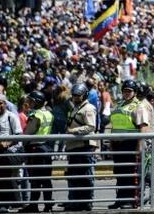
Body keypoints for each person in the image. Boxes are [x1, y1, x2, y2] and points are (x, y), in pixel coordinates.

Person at [108, 79, 150, 209]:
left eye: (129, 91)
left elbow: (143, 127)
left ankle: (130, 200)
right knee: (120, 173)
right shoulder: (119, 105)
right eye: (125, 91)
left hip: (131, 144)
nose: (126, 93)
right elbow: (114, 125)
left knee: (130, 174)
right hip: (118, 145)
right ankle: (120, 199)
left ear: (135, 92)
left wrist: (139, 146)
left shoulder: (138, 106)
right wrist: (111, 142)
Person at [64, 83, 97, 212]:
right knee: (74, 175)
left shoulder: (88, 108)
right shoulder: (75, 108)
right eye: (74, 95)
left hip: (84, 146)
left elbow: (91, 126)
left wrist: (74, 131)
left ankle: (87, 202)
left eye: (78, 95)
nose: (75, 97)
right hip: (74, 147)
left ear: (84, 95)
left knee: (85, 176)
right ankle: (76, 202)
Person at [20, 91, 54, 213]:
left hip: (35, 149)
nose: (29, 103)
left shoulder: (35, 115)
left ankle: (34, 205)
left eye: (31, 101)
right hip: (46, 148)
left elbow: (28, 133)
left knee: (35, 179)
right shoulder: (49, 113)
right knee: (46, 179)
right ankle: (48, 205)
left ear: (37, 102)